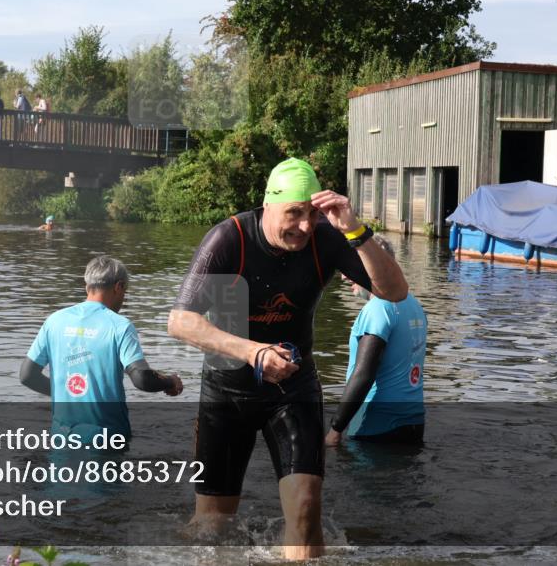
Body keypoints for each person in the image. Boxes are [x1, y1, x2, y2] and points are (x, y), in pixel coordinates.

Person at [167, 157, 408, 559]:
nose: (304, 226)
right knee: (212, 527)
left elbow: (396, 291)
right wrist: (253, 351)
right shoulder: (230, 239)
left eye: (312, 214)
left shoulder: (328, 239)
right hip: (228, 391)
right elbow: (180, 322)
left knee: (307, 510)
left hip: (293, 388)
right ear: (267, 206)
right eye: (293, 214)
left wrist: (355, 230)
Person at [21, 255, 183, 440]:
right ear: (118, 286)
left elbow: (27, 376)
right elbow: (141, 378)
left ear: (87, 286)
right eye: (125, 291)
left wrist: (70, 393)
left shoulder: (55, 320)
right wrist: (170, 381)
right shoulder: (120, 326)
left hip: (62, 436)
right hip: (107, 438)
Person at [326, 236, 426, 447]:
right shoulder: (413, 304)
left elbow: (364, 374)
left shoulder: (378, 308)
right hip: (414, 422)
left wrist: (335, 429)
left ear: (372, 267)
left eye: (351, 267)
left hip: (375, 425)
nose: (344, 276)